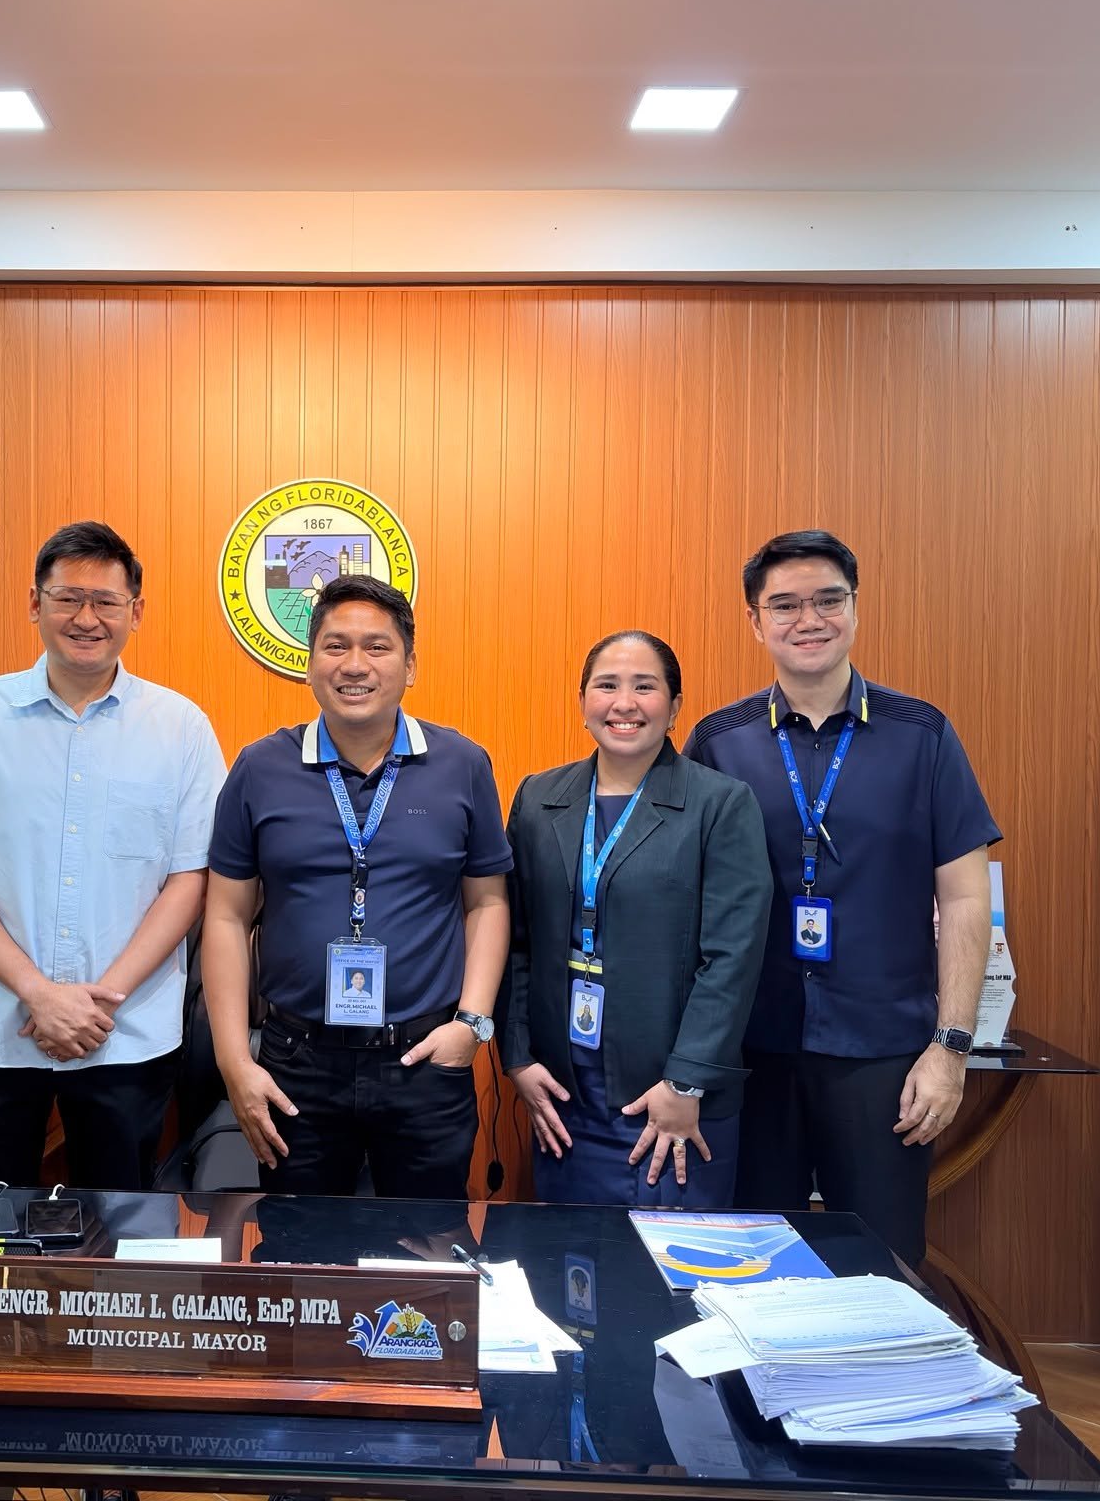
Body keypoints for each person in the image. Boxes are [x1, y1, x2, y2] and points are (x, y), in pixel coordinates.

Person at [684, 530, 999, 1265]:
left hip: (883, 1055)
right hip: (751, 1048)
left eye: (829, 600)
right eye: (785, 604)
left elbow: (963, 898)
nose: (809, 619)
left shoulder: (922, 734)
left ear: (856, 610)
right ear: (755, 622)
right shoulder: (718, 742)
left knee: (881, 1267)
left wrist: (950, 1048)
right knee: (749, 1263)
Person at [0, 521, 226, 1189]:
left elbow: (191, 878)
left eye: (106, 601)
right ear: (34, 604)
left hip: (126, 1032)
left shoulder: (180, 726)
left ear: (136, 612)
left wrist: (103, 999)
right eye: (67, 598)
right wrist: (38, 994)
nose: (86, 618)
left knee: (120, 1227)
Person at [204, 574, 512, 1200]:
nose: (355, 665)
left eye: (377, 647)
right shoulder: (259, 768)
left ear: (409, 665)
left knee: (427, 1264)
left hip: (425, 1056)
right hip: (296, 1063)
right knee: (299, 1259)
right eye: (335, 646)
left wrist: (472, 1025)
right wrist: (235, 1061)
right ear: (310, 663)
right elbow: (226, 917)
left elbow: (487, 901)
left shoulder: (463, 764)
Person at [502, 631, 771, 1206]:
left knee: (665, 1282)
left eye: (645, 687)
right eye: (607, 685)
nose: (624, 703)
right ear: (582, 703)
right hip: (561, 1094)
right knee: (568, 1274)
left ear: (674, 707)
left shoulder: (719, 804)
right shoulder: (537, 797)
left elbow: (732, 958)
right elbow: (517, 941)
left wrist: (685, 1080)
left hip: (669, 1101)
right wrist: (519, 1057)